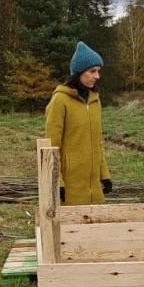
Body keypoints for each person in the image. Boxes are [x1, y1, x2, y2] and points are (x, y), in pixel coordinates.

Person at [45, 41, 112, 206]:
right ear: (79, 73)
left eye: (98, 71)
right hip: (70, 187)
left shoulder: (95, 101)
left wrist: (104, 174)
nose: (97, 76)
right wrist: (57, 182)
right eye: (92, 71)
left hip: (94, 187)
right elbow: (51, 148)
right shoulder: (60, 101)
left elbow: (98, 143)